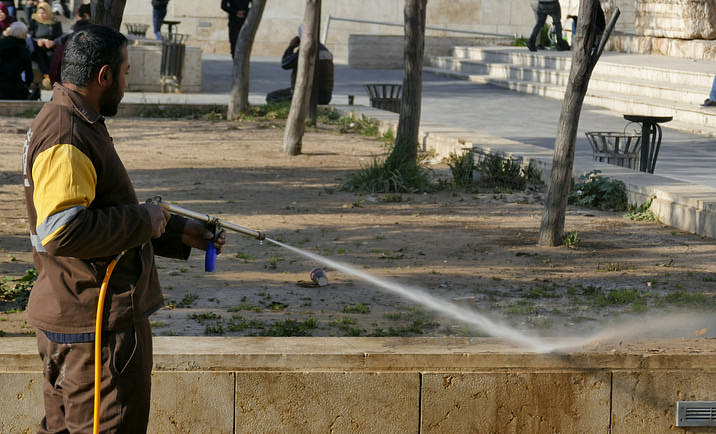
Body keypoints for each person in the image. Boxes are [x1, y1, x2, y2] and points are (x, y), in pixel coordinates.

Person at [22, 24, 226, 432]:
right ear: (104, 76)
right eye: (127, 72)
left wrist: (173, 231)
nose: (127, 83)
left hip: (76, 316)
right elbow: (62, 231)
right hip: (95, 330)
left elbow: (97, 211)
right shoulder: (67, 133)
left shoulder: (75, 120)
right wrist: (143, 219)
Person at [266, 31, 334, 105]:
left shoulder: (307, 49)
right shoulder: (325, 50)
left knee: (272, 97)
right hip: (325, 96)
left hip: (309, 95)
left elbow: (285, 64)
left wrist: (291, 46)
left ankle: (292, 111)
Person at [28, 1, 62, 89]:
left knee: (52, 55)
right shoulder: (33, 22)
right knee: (40, 55)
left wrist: (53, 42)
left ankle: (52, 77)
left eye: (43, 13)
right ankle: (46, 76)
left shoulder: (55, 23)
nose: (41, 15)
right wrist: (37, 41)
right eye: (39, 13)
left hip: (51, 47)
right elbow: (30, 36)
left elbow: (59, 37)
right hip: (37, 48)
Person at [0, 21, 34, 100]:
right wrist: (27, 84)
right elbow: (29, 72)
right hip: (14, 86)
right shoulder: (24, 50)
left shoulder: (1, 44)